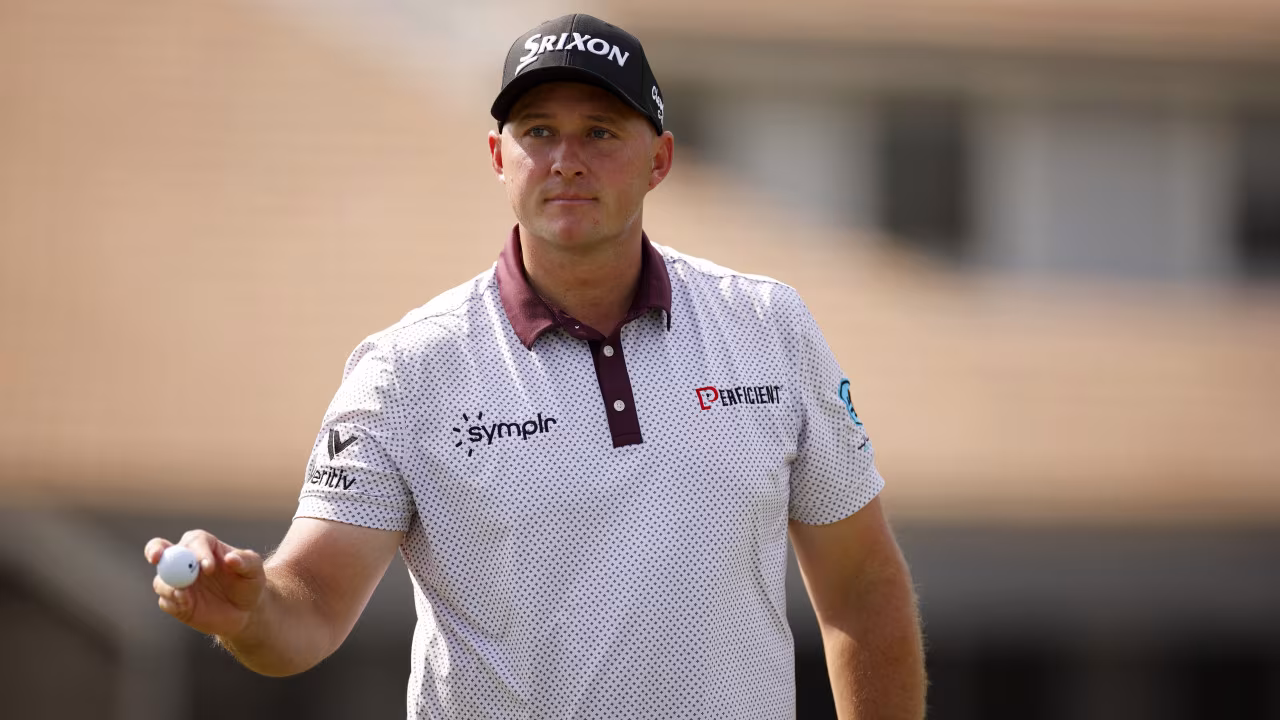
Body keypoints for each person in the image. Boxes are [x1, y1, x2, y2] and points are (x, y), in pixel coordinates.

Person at [145, 13, 925, 719]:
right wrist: (250, 613)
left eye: (601, 132)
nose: (566, 161)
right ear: (499, 156)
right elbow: (310, 605)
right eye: (538, 131)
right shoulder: (406, 371)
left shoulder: (766, 326)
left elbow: (862, 585)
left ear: (659, 160)